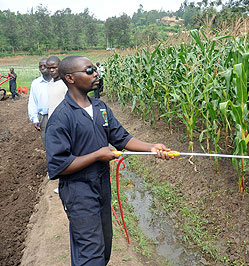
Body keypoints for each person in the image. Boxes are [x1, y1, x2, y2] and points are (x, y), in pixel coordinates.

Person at [45, 55, 173, 266]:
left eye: (95, 69)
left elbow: (122, 138)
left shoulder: (100, 107)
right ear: (70, 78)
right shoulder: (61, 117)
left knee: (104, 247)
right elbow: (59, 165)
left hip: (102, 186)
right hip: (79, 192)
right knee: (91, 253)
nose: (95, 73)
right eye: (88, 71)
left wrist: (152, 147)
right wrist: (98, 155)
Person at [28, 58, 52, 145]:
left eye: (44, 66)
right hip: (44, 117)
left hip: (58, 115)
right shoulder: (36, 83)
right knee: (46, 141)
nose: (42, 68)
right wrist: (34, 118)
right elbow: (32, 102)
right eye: (40, 66)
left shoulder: (58, 81)